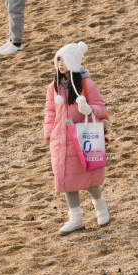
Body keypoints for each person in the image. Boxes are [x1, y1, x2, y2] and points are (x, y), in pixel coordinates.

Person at [43, 41, 110, 234]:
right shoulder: (54, 86)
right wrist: (50, 131)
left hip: (82, 136)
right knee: (67, 179)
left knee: (89, 177)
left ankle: (101, 208)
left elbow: (101, 107)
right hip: (60, 139)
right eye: (58, 60)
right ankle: (76, 218)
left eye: (64, 60)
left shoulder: (87, 84)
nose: (60, 64)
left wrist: (89, 109)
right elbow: (50, 110)